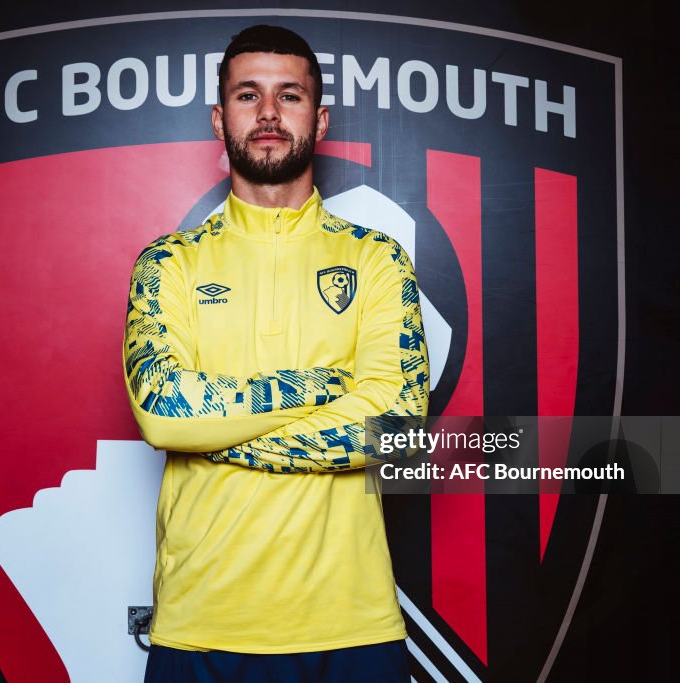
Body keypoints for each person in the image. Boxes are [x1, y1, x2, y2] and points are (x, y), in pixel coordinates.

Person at [123, 24, 429, 683]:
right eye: (247, 95)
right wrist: (319, 385)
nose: (267, 113)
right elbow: (163, 414)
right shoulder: (167, 265)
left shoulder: (377, 261)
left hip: (351, 626)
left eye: (289, 96)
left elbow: (398, 429)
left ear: (319, 121)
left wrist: (218, 434)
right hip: (201, 625)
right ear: (218, 117)